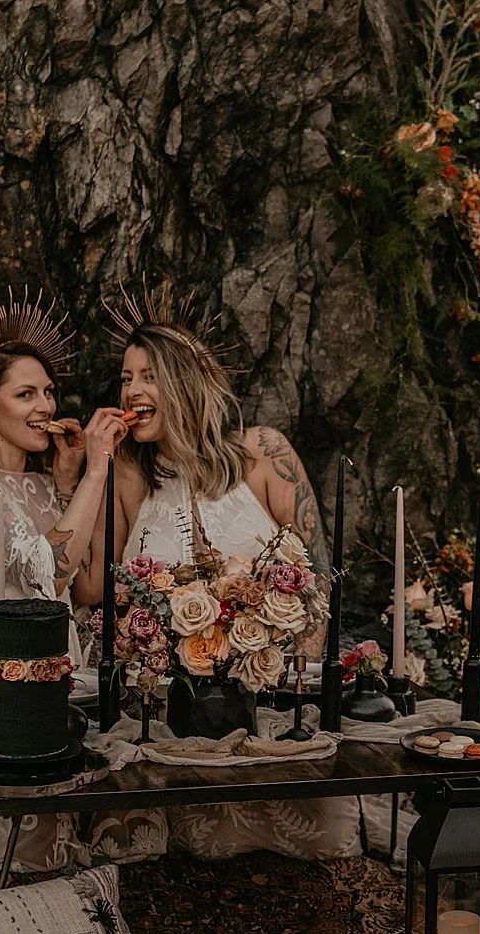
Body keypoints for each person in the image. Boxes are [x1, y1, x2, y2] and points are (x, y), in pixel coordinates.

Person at [82, 313, 361, 861]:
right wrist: (89, 468)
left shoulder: (264, 452)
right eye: (126, 378)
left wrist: (293, 688)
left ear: (185, 381)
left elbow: (319, 576)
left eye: (149, 376)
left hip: (270, 707)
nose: (132, 390)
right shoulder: (130, 474)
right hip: (165, 715)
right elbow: (94, 590)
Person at [0, 291, 158, 871]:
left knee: (59, 848)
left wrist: (69, 479)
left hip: (54, 681)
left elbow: (73, 585)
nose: (44, 405)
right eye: (25, 393)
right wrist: (98, 468)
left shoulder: (43, 484)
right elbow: (43, 565)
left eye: (49, 392)